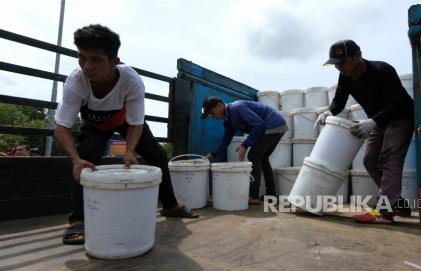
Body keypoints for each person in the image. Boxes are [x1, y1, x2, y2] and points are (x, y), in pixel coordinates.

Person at [54, 24, 197, 245]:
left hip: (126, 121)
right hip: (94, 123)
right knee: (85, 159)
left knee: (158, 157)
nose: (86, 66)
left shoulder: (132, 80)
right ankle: (77, 220)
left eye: (95, 60)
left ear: (114, 61)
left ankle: (171, 206)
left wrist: (129, 152)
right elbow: (61, 126)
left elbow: (136, 123)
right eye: (81, 58)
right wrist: (74, 159)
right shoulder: (76, 80)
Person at [315, 39, 414, 224]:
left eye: (342, 62)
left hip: (400, 117)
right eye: (335, 64)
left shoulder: (382, 71)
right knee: (369, 160)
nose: (339, 67)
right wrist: (330, 111)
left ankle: (385, 212)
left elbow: (397, 103)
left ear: (358, 56)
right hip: (377, 121)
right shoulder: (345, 76)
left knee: (389, 158)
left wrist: (373, 122)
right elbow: (340, 100)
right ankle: (396, 201)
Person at [202, 96, 288, 205]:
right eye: (210, 115)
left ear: (219, 105)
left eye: (212, 113)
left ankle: (253, 196)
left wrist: (245, 145)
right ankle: (271, 195)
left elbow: (258, 124)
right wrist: (211, 156)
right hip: (278, 125)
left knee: (254, 155)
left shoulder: (237, 107)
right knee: (262, 158)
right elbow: (225, 141)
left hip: (273, 124)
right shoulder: (228, 121)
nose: (212, 116)